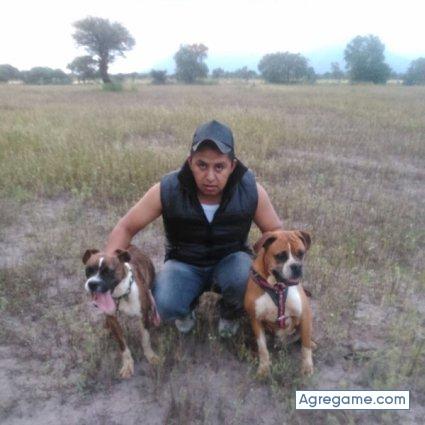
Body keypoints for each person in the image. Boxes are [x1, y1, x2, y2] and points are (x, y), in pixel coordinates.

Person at [105, 120, 282, 336]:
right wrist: (107, 271)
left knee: (246, 279)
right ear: (190, 162)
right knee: (163, 303)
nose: (210, 176)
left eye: (219, 167)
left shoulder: (251, 190)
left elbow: (276, 233)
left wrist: (280, 278)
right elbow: (126, 227)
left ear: (232, 166)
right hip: (184, 263)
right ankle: (185, 310)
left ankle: (230, 312)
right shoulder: (167, 189)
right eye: (202, 165)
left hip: (231, 260)